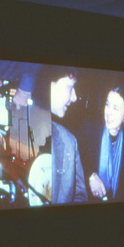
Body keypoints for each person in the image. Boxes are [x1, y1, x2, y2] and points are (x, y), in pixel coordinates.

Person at [36, 65, 88, 204]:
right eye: (70, 87)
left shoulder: (69, 141)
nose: (74, 97)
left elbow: (79, 197)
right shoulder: (24, 123)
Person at [78, 88, 124, 202]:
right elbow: (76, 159)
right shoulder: (89, 130)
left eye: (115, 108)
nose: (108, 112)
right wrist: (90, 176)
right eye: (107, 104)